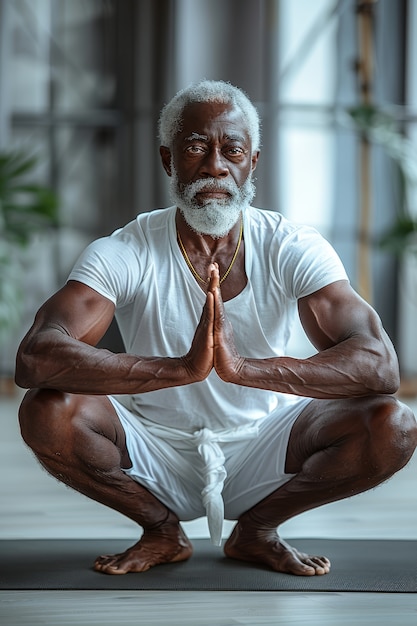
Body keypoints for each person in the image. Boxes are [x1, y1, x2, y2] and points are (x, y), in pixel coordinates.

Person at [15, 80, 417, 577]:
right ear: (169, 161)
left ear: (253, 162)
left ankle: (258, 530)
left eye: (232, 149)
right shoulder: (126, 248)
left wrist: (246, 369)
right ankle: (160, 527)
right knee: (46, 411)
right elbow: (36, 357)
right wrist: (176, 369)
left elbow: (380, 367)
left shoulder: (292, 245)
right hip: (152, 444)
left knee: (393, 426)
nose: (214, 166)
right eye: (196, 148)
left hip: (270, 442)